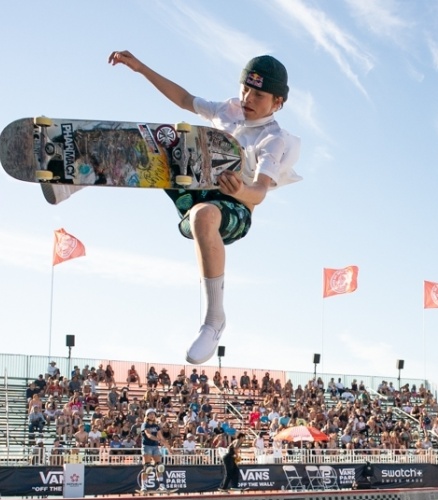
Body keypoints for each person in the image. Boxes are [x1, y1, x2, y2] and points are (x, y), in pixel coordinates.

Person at [109, 49, 301, 364]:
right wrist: (141, 68)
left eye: (259, 95)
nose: (248, 98)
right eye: (246, 89)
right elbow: (185, 99)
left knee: (204, 214)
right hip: (197, 190)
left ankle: (214, 320)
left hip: (234, 211)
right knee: (166, 139)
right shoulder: (227, 111)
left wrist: (241, 190)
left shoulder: (273, 140)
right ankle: (76, 178)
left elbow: (260, 191)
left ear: (277, 102)